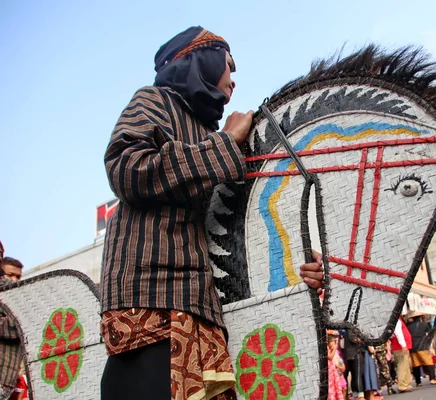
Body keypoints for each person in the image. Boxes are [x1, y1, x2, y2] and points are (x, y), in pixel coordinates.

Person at [99, 26, 324, 400]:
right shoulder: (155, 100)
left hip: (205, 309)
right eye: (229, 67)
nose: (234, 81)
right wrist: (225, 142)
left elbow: (234, 226)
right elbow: (126, 169)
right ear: (202, 56)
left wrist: (294, 270)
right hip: (152, 301)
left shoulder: (209, 131)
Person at [0, 242, 24, 400]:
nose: (14, 280)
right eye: (10, 275)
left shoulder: (21, 298)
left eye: (18, 277)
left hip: (7, 381)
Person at [406, 312, 436, 386]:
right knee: (428, 363)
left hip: (413, 347)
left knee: (416, 365)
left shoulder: (409, 326)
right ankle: (432, 378)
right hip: (423, 346)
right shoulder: (424, 325)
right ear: (420, 317)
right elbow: (430, 335)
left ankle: (418, 382)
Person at [390, 316, 413, 393]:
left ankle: (407, 384)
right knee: (402, 366)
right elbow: (398, 332)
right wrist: (403, 345)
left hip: (400, 346)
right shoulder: (395, 319)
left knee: (406, 366)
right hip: (399, 346)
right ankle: (403, 385)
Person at [327, 331, 345, 400]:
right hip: (330, 373)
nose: (335, 343)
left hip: (336, 374)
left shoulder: (336, 353)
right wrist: (335, 347)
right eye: (334, 341)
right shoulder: (326, 349)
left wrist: (339, 366)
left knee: (340, 389)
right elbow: (330, 357)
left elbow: (342, 366)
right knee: (331, 391)